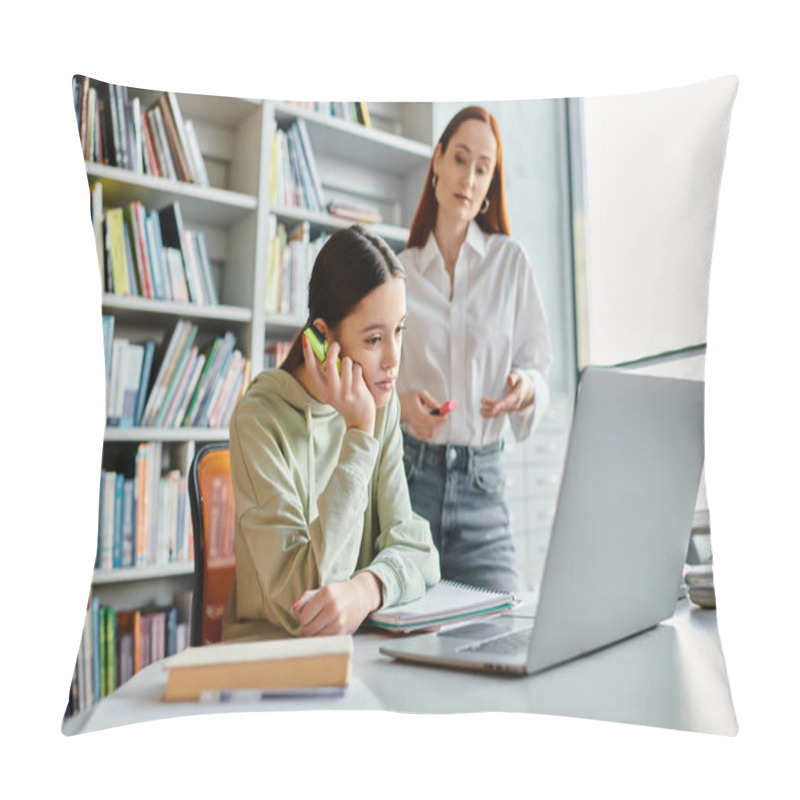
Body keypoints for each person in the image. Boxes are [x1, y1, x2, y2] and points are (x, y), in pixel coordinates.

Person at [222, 225, 440, 641]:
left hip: (358, 645)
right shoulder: (259, 420)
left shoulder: (382, 404)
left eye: (400, 331)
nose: (394, 359)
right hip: (271, 654)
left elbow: (418, 549)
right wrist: (358, 434)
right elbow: (302, 603)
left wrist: (367, 589)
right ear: (323, 337)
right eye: (375, 338)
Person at [396, 106, 552, 594]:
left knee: (505, 637)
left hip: (484, 492)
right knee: (404, 650)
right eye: (460, 159)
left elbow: (537, 367)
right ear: (437, 160)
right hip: (409, 486)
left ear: (490, 185)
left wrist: (524, 389)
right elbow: (373, 381)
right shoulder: (397, 272)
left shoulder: (510, 262)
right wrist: (401, 405)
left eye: (482, 168)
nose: (469, 177)